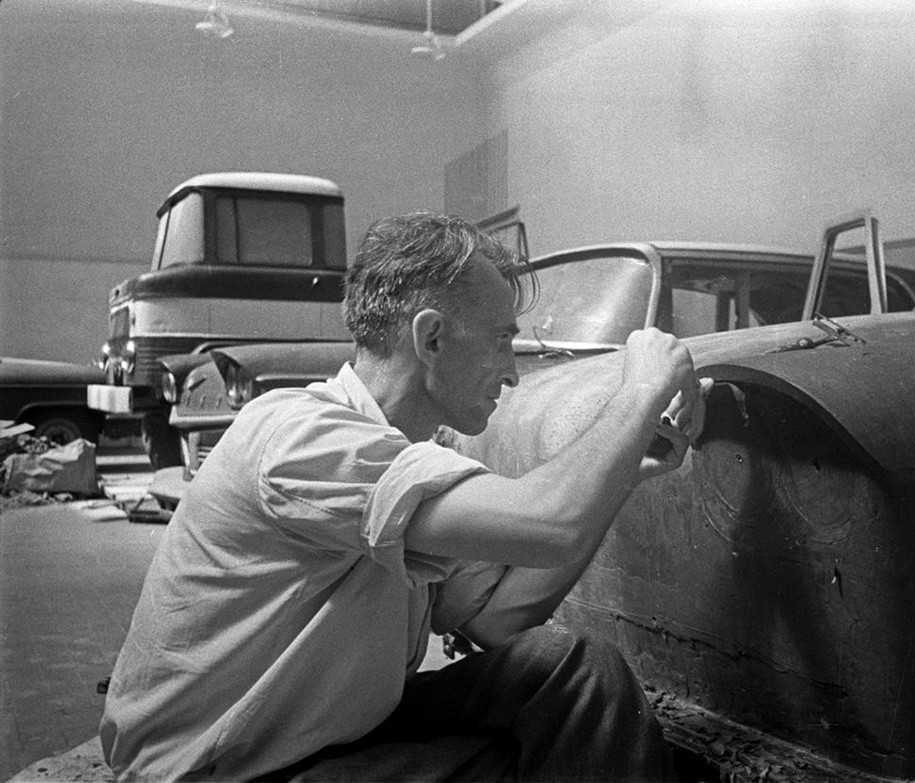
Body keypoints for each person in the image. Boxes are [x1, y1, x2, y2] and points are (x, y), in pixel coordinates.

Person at [100, 213, 709, 782]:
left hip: (320, 732)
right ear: (432, 338)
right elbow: (553, 524)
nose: (511, 371)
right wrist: (643, 389)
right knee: (539, 759)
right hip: (221, 769)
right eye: (501, 340)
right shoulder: (302, 436)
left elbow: (497, 618)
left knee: (575, 671)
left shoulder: (412, 459)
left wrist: (625, 476)